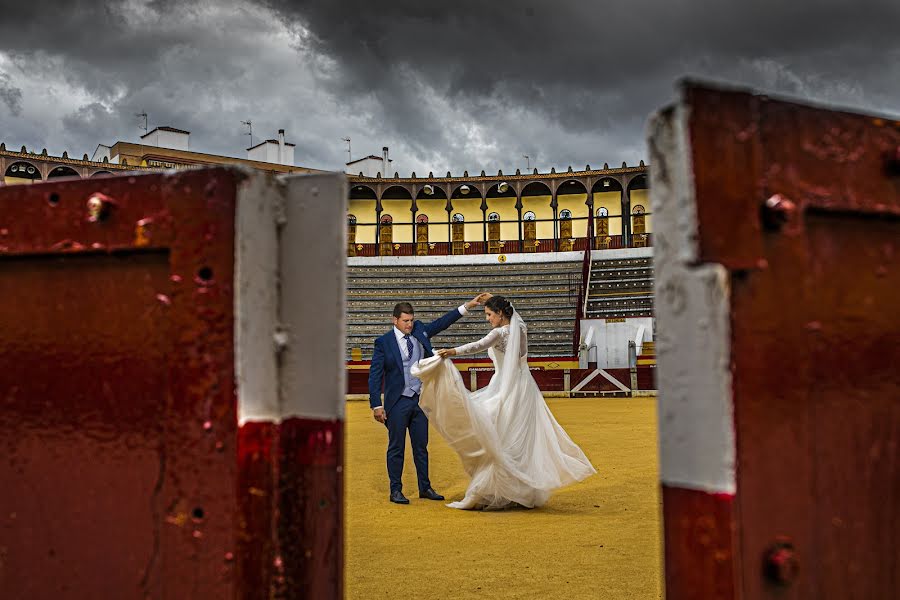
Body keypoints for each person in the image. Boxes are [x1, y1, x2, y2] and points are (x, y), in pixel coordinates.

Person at [413, 294, 596, 510]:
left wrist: (452, 351)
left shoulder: (499, 333)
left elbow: (477, 346)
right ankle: (517, 490)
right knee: (516, 438)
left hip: (505, 387)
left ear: (500, 314)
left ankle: (493, 490)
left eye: (490, 314)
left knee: (495, 435)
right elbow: (510, 324)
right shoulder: (521, 327)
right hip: (524, 388)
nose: (488, 318)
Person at [369, 294, 489, 504]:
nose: (409, 324)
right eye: (405, 321)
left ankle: (425, 487)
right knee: (396, 447)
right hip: (397, 402)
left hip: (419, 400)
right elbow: (375, 375)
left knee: (421, 447)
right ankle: (395, 490)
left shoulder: (419, 330)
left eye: (411, 320)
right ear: (394, 320)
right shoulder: (383, 343)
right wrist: (376, 405)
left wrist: (467, 307)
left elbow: (442, 322)